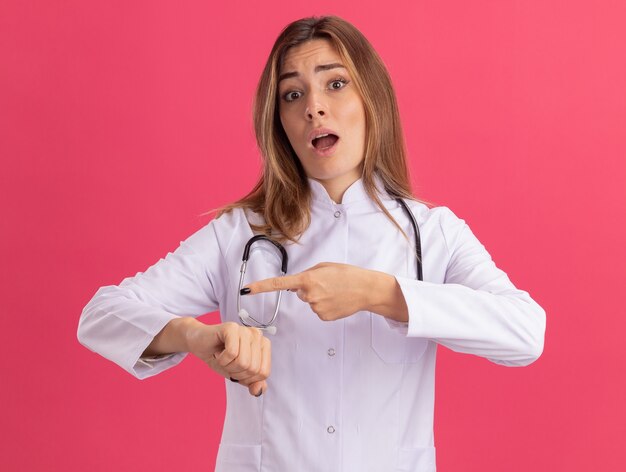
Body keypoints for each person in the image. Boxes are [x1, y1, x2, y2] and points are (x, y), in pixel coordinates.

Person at [78, 16, 546, 472]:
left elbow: (525, 333)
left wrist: (380, 294)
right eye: (293, 94)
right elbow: (101, 315)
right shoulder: (240, 234)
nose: (313, 107)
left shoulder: (433, 233)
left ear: (372, 98)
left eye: (335, 84)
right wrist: (195, 337)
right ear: (279, 121)